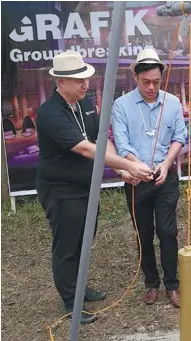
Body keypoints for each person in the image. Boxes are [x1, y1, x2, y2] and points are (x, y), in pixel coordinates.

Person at [36, 50, 153, 324]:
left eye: (85, 79)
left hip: (86, 188)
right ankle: (71, 302)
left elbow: (102, 138)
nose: (85, 84)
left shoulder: (85, 104)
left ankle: (79, 289)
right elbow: (86, 149)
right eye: (78, 80)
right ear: (60, 82)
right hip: (61, 191)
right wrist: (127, 167)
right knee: (67, 244)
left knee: (84, 239)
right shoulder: (51, 113)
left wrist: (121, 167)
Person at [111, 49, 187, 308]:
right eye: (146, 82)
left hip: (165, 177)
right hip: (135, 180)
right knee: (144, 233)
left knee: (167, 232)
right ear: (136, 77)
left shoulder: (173, 103)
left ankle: (172, 285)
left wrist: (166, 164)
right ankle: (151, 283)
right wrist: (137, 167)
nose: (152, 87)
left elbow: (179, 137)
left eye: (156, 81)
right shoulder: (121, 105)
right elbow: (121, 144)